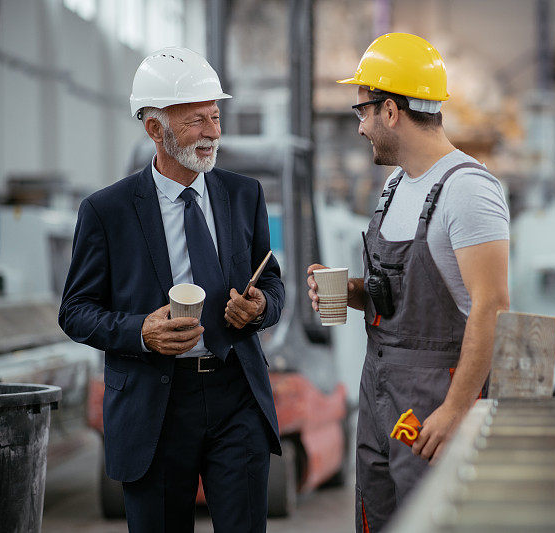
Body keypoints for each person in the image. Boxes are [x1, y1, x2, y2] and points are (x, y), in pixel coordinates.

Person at [59, 47, 284, 533]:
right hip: (153, 406)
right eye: (195, 121)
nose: (212, 133)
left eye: (215, 117)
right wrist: (141, 330)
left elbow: (270, 279)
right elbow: (75, 311)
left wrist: (262, 306)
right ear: (154, 129)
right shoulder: (107, 211)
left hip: (235, 393)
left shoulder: (244, 195)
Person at [306, 33, 510, 532]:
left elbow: (494, 307)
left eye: (362, 112)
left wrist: (456, 410)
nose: (360, 128)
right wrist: (349, 292)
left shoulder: (467, 191)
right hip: (380, 388)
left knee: (430, 520)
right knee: (377, 519)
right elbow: (395, 293)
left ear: (391, 111)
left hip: (433, 395)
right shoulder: (396, 186)